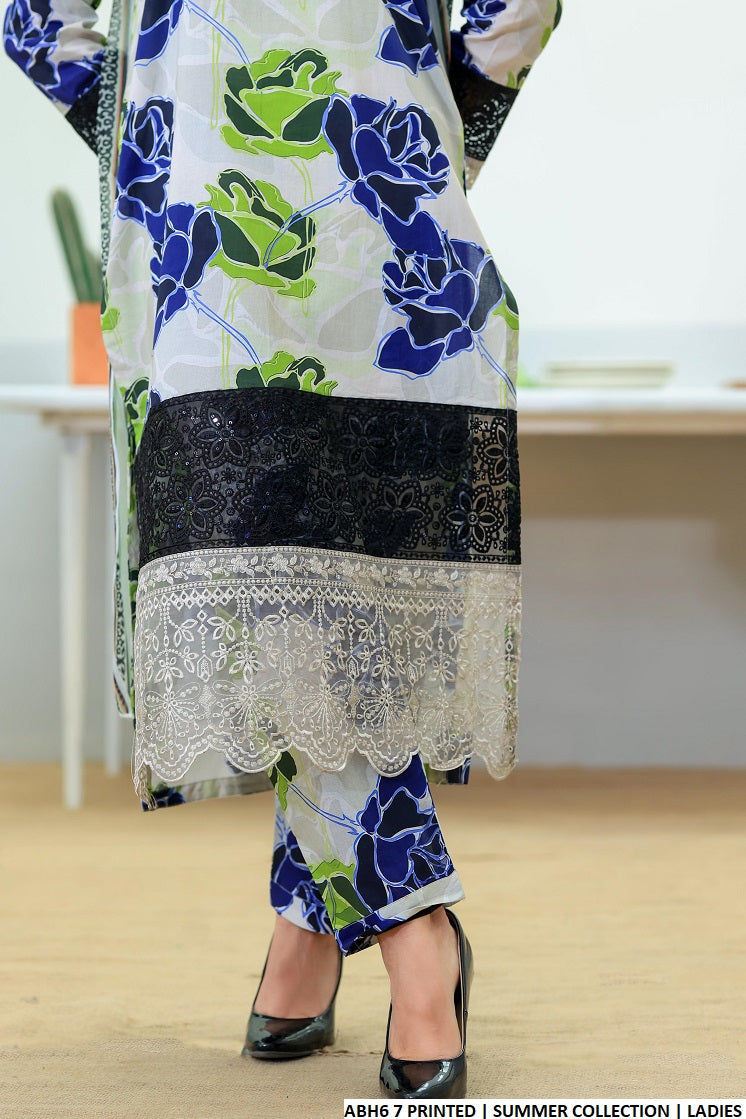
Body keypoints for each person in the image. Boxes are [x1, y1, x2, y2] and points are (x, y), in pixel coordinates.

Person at [4, 0, 561, 1099]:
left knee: (307, 589)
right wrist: (417, 134)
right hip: (380, 234)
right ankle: (391, 926)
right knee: (273, 590)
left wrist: (173, 127)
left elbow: (36, 20)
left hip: (214, 233)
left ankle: (364, 926)